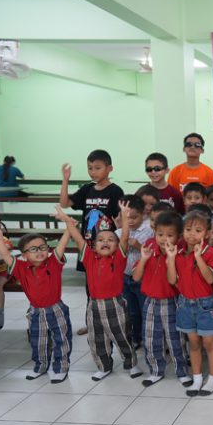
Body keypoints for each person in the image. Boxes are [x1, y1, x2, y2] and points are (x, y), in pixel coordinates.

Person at [54, 202, 141, 381]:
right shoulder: (89, 257)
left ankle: (131, 364)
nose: (105, 242)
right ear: (93, 245)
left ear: (117, 246)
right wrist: (67, 221)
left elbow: (125, 237)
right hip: (93, 305)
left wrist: (125, 217)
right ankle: (104, 366)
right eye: (101, 240)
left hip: (115, 304)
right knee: (96, 339)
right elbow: (79, 239)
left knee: (122, 336)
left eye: (110, 240)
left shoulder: (118, 258)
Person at [0, 227, 72, 383]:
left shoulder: (53, 263)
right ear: (24, 255)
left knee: (61, 340)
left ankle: (61, 368)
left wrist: (69, 228)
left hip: (56, 309)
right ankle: (40, 366)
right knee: (38, 341)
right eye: (33, 249)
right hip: (35, 311)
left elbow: (62, 244)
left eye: (42, 247)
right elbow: (5, 255)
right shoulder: (21, 268)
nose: (39, 251)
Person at [59, 150, 124, 337]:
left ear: (109, 168)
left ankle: (114, 321)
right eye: (90, 168)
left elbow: (119, 218)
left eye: (97, 168)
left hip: (108, 248)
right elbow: (64, 203)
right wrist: (65, 180)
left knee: (111, 285)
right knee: (91, 287)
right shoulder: (87, 189)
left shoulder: (115, 191)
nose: (93, 172)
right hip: (88, 248)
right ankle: (92, 323)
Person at [132, 211, 191, 388]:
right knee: (151, 338)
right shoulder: (149, 247)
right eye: (160, 234)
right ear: (154, 233)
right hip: (150, 302)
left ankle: (182, 371)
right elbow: (136, 277)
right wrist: (144, 259)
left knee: (176, 339)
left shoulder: (180, 253)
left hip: (172, 302)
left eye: (170, 235)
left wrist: (171, 258)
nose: (164, 239)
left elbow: (174, 281)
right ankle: (156, 370)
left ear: (179, 236)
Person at [166, 209, 213, 397]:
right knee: (194, 342)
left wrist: (199, 258)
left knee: (209, 342)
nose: (192, 234)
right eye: (188, 229)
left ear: (206, 233)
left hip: (205, 305)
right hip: (184, 303)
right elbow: (172, 280)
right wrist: (171, 258)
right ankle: (197, 378)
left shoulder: (210, 252)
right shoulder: (178, 252)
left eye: (198, 230)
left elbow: (210, 279)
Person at [115, 195, 153, 349]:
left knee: (145, 310)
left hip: (143, 278)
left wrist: (137, 245)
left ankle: (147, 339)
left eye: (134, 217)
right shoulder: (118, 232)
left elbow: (152, 253)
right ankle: (136, 338)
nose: (130, 221)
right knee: (131, 311)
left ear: (143, 214)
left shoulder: (149, 230)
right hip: (125, 277)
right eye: (126, 217)